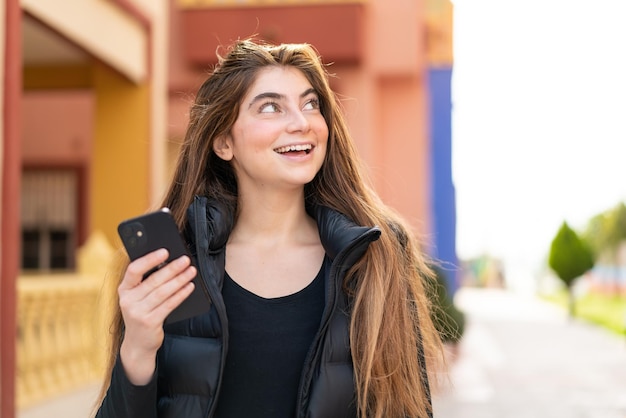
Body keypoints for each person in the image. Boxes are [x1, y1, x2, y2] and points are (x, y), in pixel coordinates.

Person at [94, 38, 444, 418]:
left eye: (311, 104)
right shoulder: (172, 267)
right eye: (271, 107)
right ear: (224, 142)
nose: (302, 123)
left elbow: (407, 407)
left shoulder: (374, 256)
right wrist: (137, 351)